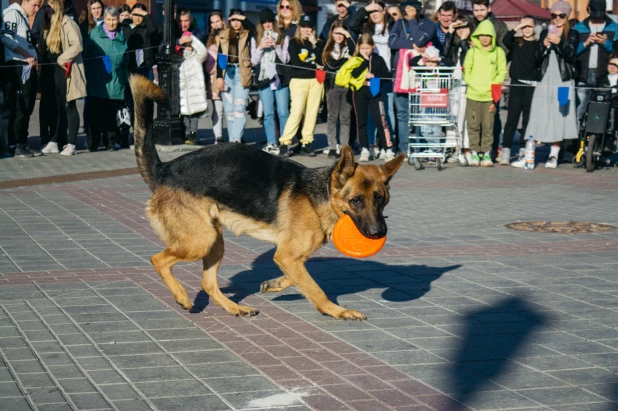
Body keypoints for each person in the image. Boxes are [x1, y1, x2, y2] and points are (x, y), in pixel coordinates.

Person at [522, 1, 579, 169]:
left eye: (561, 15)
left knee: (560, 115)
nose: (558, 19)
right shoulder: (545, 32)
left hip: (563, 81)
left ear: (567, 16)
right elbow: (536, 59)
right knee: (539, 112)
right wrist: (545, 45)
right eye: (554, 15)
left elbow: (570, 55)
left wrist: (559, 41)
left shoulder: (573, 34)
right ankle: (530, 152)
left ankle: (554, 154)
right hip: (545, 80)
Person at [388, 0, 436, 156]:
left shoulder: (429, 24)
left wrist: (413, 21)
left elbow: (420, 40)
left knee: (418, 114)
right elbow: (392, 42)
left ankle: (417, 146)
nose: (408, 11)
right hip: (401, 76)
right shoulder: (399, 23)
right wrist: (412, 45)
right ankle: (403, 148)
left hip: (421, 77)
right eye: (406, 8)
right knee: (402, 114)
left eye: (412, 8)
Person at [39, 0, 86, 156]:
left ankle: (71, 143)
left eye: (49, 7)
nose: (46, 10)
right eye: (45, 7)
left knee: (69, 106)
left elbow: (77, 45)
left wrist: (62, 59)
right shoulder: (47, 25)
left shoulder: (68, 23)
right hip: (51, 72)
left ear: (57, 7)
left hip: (66, 71)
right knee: (54, 107)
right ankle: (54, 140)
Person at [349, 1, 394, 157]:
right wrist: (366, 9)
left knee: (384, 119)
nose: (374, 14)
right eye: (371, 12)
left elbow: (386, 72)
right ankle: (366, 148)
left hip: (381, 83)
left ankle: (387, 147)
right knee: (363, 121)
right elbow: (352, 23)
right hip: (361, 89)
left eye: (378, 10)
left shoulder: (393, 26)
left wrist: (377, 76)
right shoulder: (365, 28)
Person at [462, 20, 507, 167]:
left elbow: (502, 72)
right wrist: (470, 82)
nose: (485, 38)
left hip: (489, 96)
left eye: (488, 35)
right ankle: (475, 152)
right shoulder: (472, 51)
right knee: (473, 125)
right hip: (473, 95)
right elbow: (466, 69)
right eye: (481, 35)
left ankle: (486, 153)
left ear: (493, 36)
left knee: (488, 126)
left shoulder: (498, 52)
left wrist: (494, 84)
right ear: (477, 36)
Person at [84, 6, 129, 151]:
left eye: (114, 19)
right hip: (98, 81)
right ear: (104, 19)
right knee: (95, 114)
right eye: (108, 19)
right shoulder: (94, 34)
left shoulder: (122, 35)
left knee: (110, 115)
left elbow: (126, 60)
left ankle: (110, 142)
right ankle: (93, 143)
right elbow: (86, 56)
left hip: (115, 81)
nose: (111, 23)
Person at [278, 15, 323, 157]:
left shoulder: (319, 43)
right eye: (303, 26)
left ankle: (306, 143)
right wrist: (313, 65)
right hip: (298, 80)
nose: (306, 30)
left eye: (309, 27)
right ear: (299, 28)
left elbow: (322, 61)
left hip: (316, 80)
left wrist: (315, 44)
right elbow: (296, 63)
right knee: (296, 112)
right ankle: (285, 142)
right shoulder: (293, 43)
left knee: (312, 112)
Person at [0, 0, 41, 157]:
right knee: (21, 104)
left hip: (26, 65)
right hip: (18, 65)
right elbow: (5, 37)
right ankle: (15, 143)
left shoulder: (23, 16)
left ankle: (22, 141)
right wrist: (26, 55)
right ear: (25, 1)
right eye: (34, 5)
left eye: (38, 6)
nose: (36, 9)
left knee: (28, 104)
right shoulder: (13, 14)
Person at [500, 16, 539, 166]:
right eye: (524, 26)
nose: (527, 29)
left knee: (527, 120)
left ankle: (524, 149)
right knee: (511, 119)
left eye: (529, 26)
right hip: (516, 85)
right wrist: (517, 26)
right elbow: (505, 40)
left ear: (535, 27)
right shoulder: (517, 42)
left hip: (531, 85)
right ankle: (506, 149)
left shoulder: (537, 45)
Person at [251, 8, 290, 155]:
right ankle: (271, 142)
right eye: (264, 22)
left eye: (269, 21)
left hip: (280, 78)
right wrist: (261, 47)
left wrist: (276, 46)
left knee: (282, 112)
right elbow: (253, 62)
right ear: (261, 23)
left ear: (273, 22)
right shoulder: (255, 37)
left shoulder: (282, 36)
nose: (267, 25)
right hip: (264, 78)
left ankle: (285, 143)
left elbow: (286, 59)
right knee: (268, 113)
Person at [573, 0, 618, 124]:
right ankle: (575, 141)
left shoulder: (614, 28)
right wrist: (586, 43)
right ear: (589, 10)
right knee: (578, 111)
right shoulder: (578, 28)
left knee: (601, 112)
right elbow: (571, 52)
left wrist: (606, 43)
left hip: (604, 76)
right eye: (595, 16)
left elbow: (616, 53)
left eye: (600, 15)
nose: (597, 19)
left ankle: (598, 140)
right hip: (582, 74)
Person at [215, 10, 252, 143]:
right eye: (233, 20)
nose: (236, 22)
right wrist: (219, 77)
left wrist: (243, 17)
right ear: (229, 21)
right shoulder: (224, 35)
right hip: (227, 74)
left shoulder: (247, 34)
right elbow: (220, 57)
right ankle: (234, 143)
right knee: (229, 112)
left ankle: (234, 141)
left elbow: (255, 30)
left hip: (241, 73)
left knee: (239, 109)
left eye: (239, 20)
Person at [323, 20, 355, 157]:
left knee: (345, 117)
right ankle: (332, 146)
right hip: (332, 85)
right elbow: (331, 64)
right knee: (332, 116)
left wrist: (348, 36)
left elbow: (356, 54)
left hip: (347, 85)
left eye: (342, 33)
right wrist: (345, 60)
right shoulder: (327, 48)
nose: (339, 36)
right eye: (337, 33)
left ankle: (344, 147)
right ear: (331, 33)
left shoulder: (348, 46)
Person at [178, 31, 207, 145]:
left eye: (189, 46)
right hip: (183, 91)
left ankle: (192, 134)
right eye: (185, 46)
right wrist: (180, 42)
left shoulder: (197, 58)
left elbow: (203, 51)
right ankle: (185, 133)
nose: (188, 48)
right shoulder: (180, 58)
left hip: (195, 91)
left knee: (194, 116)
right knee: (184, 115)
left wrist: (192, 39)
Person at [120, 3, 159, 78]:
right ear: (131, 15)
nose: (137, 18)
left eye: (140, 15)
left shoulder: (146, 28)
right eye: (136, 15)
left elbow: (153, 31)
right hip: (127, 66)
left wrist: (146, 15)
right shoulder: (124, 27)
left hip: (144, 67)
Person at [206, 11, 225, 144]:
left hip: (230, 77)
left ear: (223, 21)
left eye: (217, 21)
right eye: (212, 22)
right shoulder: (210, 42)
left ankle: (237, 135)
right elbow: (208, 65)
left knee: (232, 109)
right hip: (214, 80)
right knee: (218, 109)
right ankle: (218, 136)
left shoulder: (231, 37)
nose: (215, 24)